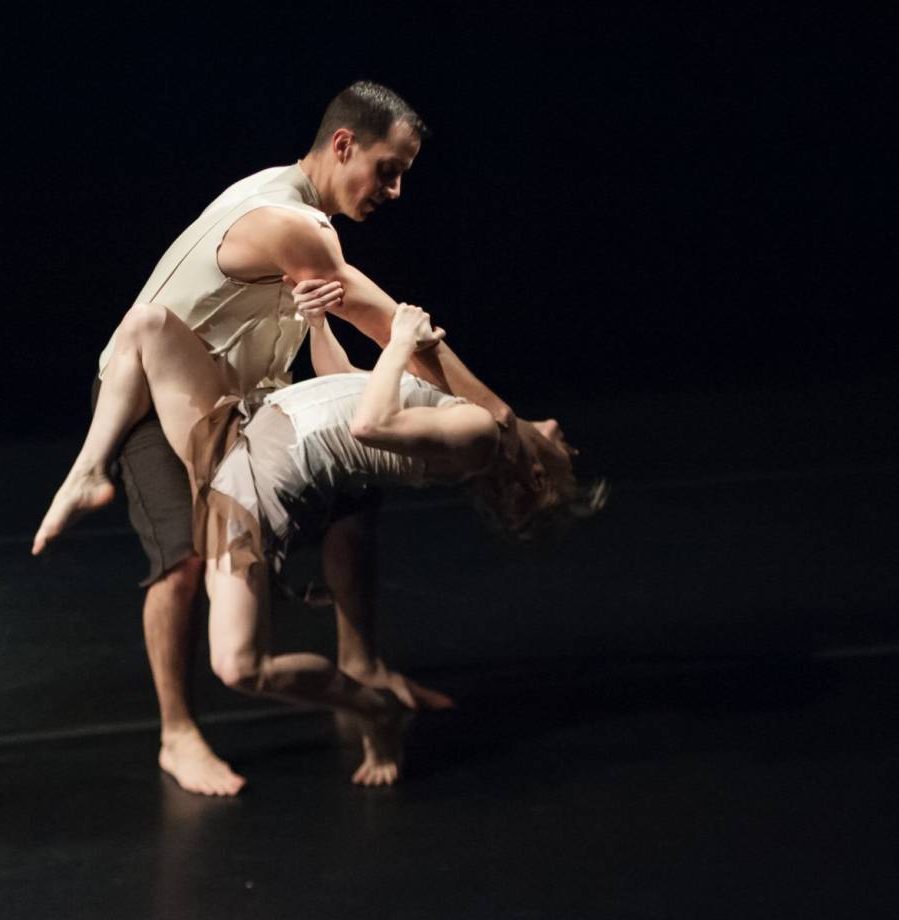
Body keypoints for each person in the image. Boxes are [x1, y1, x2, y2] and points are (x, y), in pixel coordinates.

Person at [68, 81, 516, 797]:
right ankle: (176, 733)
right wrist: (508, 421)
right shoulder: (290, 221)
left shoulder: (307, 220)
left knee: (355, 496)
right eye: (388, 170)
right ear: (344, 146)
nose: (395, 191)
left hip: (244, 402)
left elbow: (335, 359)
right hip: (156, 398)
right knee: (184, 561)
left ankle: (362, 666)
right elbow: (392, 328)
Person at [34, 299, 596, 784]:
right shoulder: (469, 410)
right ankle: (88, 472)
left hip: (251, 491)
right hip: (239, 428)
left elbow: (368, 423)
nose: (562, 434)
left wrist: (399, 340)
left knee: (239, 666)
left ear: (537, 476)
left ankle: (371, 707)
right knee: (148, 323)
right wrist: (319, 321)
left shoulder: (476, 437)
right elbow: (348, 383)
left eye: (565, 455)